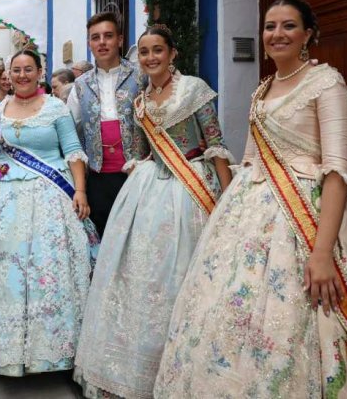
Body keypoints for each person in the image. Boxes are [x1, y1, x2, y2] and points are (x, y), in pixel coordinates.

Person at [154, 0, 347, 398]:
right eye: (270, 26)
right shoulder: (261, 90)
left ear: (308, 34)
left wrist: (322, 254)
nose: (277, 34)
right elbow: (250, 161)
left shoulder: (326, 82)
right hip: (252, 214)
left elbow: (336, 170)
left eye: (288, 26)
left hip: (313, 215)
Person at [73, 25, 234, 399]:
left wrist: (228, 199)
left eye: (157, 50)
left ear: (172, 53)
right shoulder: (141, 100)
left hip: (191, 187)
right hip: (149, 189)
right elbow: (143, 150)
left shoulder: (194, 89)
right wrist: (138, 166)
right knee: (142, 272)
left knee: (184, 271)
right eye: (144, 52)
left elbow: (216, 143)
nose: (151, 58)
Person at [0, 49, 98, 377]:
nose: (21, 75)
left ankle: (50, 350)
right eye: (15, 70)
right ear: (8, 74)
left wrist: (80, 190)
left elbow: (73, 150)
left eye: (28, 69)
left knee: (47, 267)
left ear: (39, 72)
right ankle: (9, 350)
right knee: (9, 273)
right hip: (4, 199)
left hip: (50, 198)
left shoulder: (56, 108)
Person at [67, 12, 148, 236]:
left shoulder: (141, 76)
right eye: (95, 37)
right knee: (103, 238)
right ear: (89, 43)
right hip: (98, 177)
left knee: (137, 237)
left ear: (120, 40)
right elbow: (71, 131)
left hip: (137, 174)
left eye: (108, 36)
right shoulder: (81, 85)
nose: (102, 42)